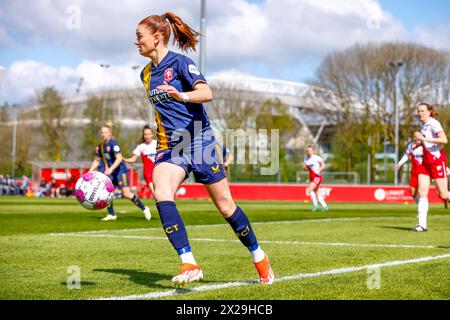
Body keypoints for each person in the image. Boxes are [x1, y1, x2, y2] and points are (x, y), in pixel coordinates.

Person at [134, 12, 274, 286]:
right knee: (161, 191)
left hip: (200, 142)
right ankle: (189, 262)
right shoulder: (146, 74)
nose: (136, 42)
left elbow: (207, 93)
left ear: (157, 37)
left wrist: (182, 95)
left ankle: (259, 256)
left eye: (140, 36)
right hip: (170, 147)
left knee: (225, 207)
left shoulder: (181, 63)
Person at [89, 122, 151, 221]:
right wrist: (90, 171)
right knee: (107, 192)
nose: (103, 134)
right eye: (102, 132)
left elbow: (119, 158)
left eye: (105, 132)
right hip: (111, 172)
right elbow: (97, 160)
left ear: (109, 133)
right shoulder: (101, 147)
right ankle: (112, 214)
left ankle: (144, 208)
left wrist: (110, 169)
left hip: (120, 171)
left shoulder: (113, 144)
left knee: (126, 193)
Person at [413, 103, 449, 232]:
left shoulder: (434, 123)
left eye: (422, 111)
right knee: (422, 191)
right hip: (425, 161)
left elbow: (444, 140)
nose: (420, 113)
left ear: (429, 112)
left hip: (436, 160)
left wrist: (425, 138)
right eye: (418, 111)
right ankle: (421, 225)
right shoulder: (422, 124)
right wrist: (418, 137)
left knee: (444, 195)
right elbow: (423, 140)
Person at [124, 125, 157, 197]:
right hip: (148, 175)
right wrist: (123, 159)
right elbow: (133, 159)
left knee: (161, 193)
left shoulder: (157, 143)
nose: (147, 136)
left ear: (152, 134)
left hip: (158, 172)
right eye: (145, 134)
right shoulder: (141, 146)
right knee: (155, 195)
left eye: (149, 134)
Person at [396, 138, 425, 202]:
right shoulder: (411, 145)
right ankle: (421, 203)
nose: (417, 139)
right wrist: (399, 163)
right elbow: (407, 155)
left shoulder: (426, 146)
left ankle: (422, 206)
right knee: (413, 193)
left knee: (421, 191)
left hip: (424, 172)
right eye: (415, 138)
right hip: (414, 172)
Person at [303, 145, 328, 212]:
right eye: (308, 151)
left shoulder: (316, 157)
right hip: (311, 176)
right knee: (316, 192)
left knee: (309, 189)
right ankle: (325, 206)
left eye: (310, 150)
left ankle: (315, 205)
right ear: (306, 152)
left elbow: (323, 164)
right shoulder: (305, 158)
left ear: (313, 151)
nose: (309, 152)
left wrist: (319, 169)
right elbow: (305, 166)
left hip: (317, 176)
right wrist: (305, 168)